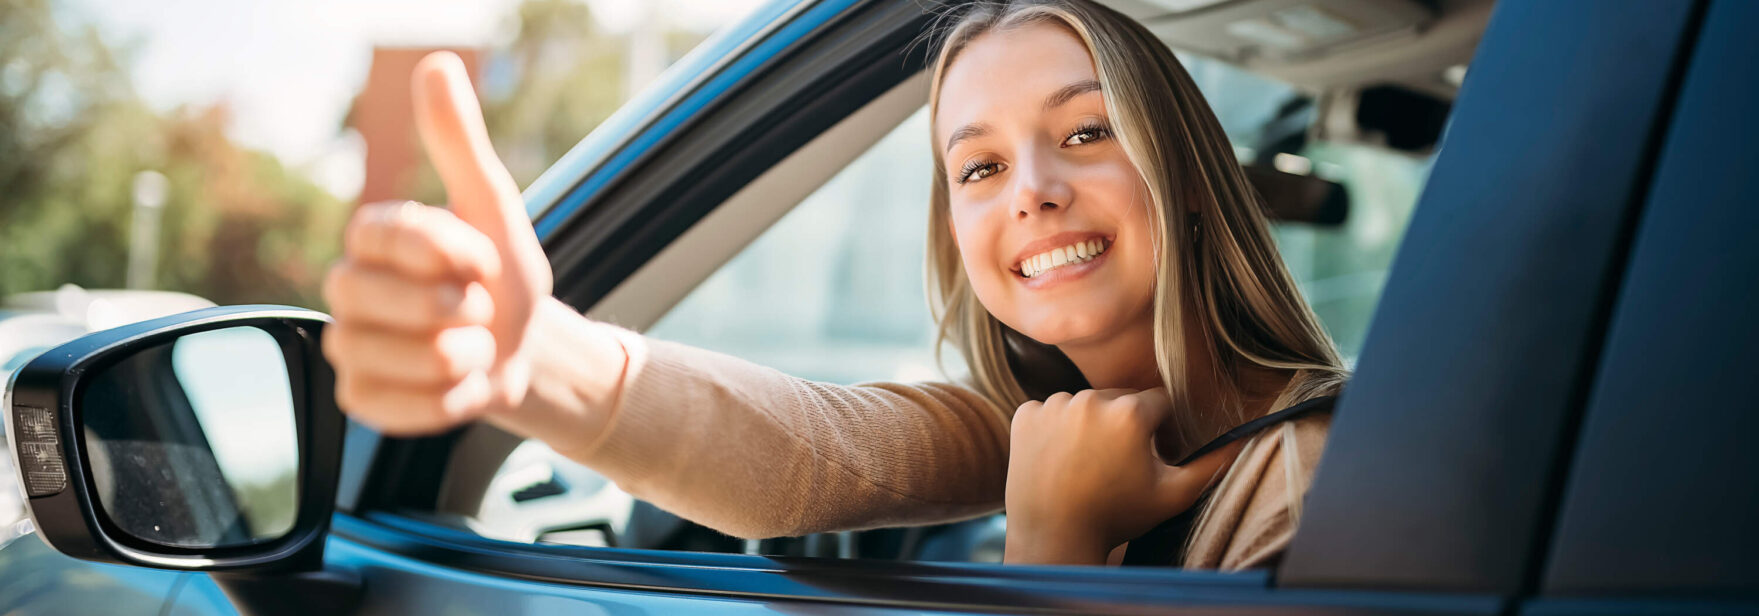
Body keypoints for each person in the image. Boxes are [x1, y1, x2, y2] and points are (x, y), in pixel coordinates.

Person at [320, 0, 1347, 570]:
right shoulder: (1027, 426)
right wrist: (532, 356)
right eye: (978, 168)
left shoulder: (1311, 480)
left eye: (1086, 132)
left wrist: (1052, 545)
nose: (1030, 192)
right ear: (957, 235)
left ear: (1190, 179)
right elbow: (805, 456)